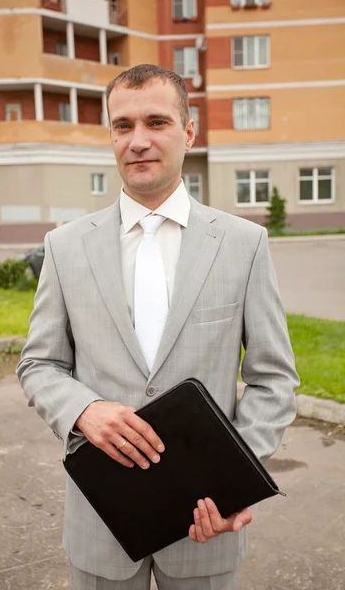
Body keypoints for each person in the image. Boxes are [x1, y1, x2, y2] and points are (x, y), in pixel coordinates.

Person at [17, 64, 299, 590]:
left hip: (205, 523)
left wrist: (235, 480)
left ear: (189, 131)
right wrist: (84, 409)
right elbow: (40, 364)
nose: (138, 141)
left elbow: (273, 379)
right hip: (101, 522)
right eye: (123, 126)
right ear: (111, 135)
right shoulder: (66, 245)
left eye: (156, 122)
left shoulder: (243, 244)